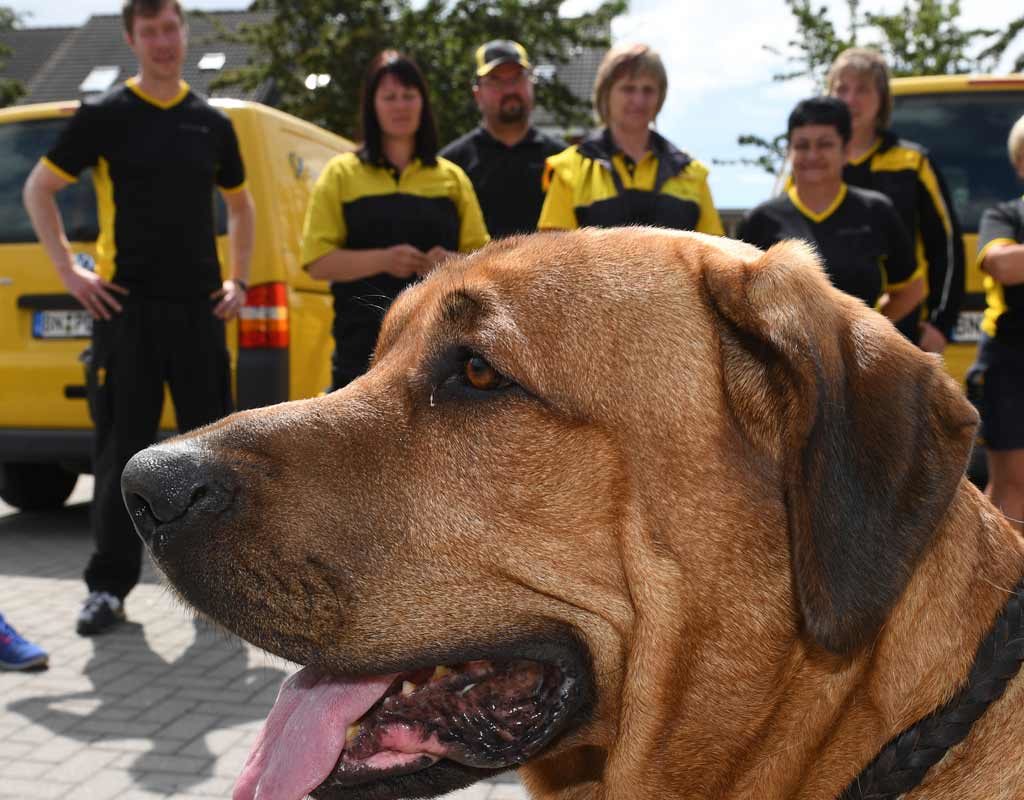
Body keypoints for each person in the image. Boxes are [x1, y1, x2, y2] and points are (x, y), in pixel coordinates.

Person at [22, 0, 255, 636]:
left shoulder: (210, 123)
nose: (162, 41)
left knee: (213, 454)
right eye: (149, 31)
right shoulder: (106, 117)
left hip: (201, 311)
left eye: (170, 28)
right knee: (120, 450)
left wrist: (237, 278)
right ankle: (108, 589)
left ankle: (222, 594)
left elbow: (241, 206)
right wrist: (68, 271)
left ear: (184, 33)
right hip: (126, 311)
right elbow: (37, 189)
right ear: (132, 39)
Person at [301, 50, 489, 391]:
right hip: (359, 355)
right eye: (389, 96)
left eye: (408, 95)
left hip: (441, 360)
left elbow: (485, 265)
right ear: (372, 106)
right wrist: (384, 260)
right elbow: (317, 263)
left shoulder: (452, 178)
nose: (400, 105)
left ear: (423, 104)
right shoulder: (340, 173)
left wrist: (450, 263)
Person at [739, 97, 924, 322]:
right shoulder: (759, 221)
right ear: (789, 152)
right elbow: (739, 303)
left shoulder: (877, 212)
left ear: (846, 150)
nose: (812, 155)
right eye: (802, 145)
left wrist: (869, 334)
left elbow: (911, 290)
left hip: (858, 357)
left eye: (825, 144)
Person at [827, 47, 964, 351]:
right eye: (842, 88)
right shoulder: (812, 165)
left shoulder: (912, 162)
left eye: (862, 89)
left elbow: (947, 247)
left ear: (882, 99)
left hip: (902, 333)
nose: (850, 99)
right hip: (829, 336)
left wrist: (941, 325)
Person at [538, 43, 723, 235]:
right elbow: (552, 258)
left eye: (648, 90)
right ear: (605, 93)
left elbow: (715, 257)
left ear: (660, 97)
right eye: (628, 89)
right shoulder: (568, 170)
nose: (639, 100)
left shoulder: (691, 173)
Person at [439, 40, 565, 238]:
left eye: (517, 78)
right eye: (496, 81)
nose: (509, 90)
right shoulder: (451, 166)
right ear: (477, 94)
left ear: (531, 84)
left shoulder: (563, 161)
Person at [966, 113, 1024, 532]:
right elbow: (1000, 264)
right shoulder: (1004, 215)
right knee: (1012, 486)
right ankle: (1005, 595)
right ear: (1020, 164)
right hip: (1010, 363)